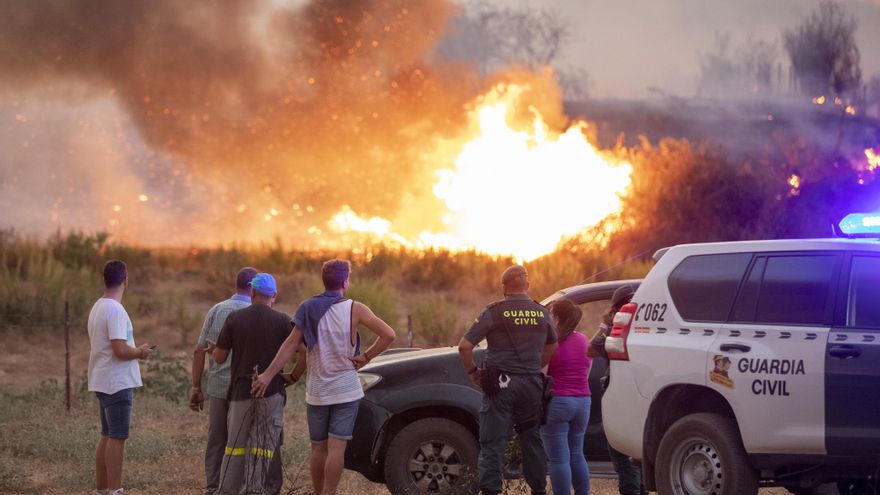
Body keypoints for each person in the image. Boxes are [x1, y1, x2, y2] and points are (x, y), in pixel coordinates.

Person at [251, 259, 396, 495]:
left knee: (318, 448)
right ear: (345, 281)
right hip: (346, 390)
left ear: (324, 280)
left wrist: (267, 375)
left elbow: (290, 345)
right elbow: (389, 334)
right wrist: (366, 357)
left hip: (318, 392)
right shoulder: (355, 308)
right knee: (337, 448)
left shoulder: (307, 307)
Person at [458, 264, 558, 495]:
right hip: (532, 385)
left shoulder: (493, 311)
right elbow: (553, 345)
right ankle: (539, 490)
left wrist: (474, 373)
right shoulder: (542, 312)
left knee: (492, 442)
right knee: (531, 440)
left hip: (500, 385)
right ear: (528, 285)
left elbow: (464, 347)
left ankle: (491, 491)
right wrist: (535, 366)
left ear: (504, 287)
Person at [213, 273, 301, 495]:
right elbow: (305, 352)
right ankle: (255, 490)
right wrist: (293, 376)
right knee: (263, 448)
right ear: (274, 295)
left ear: (252, 292)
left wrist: (218, 347)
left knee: (234, 446)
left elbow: (219, 358)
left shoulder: (234, 318)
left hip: (241, 391)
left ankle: (228, 490)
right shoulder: (283, 320)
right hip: (272, 393)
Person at [87, 260, 153, 495]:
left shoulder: (98, 306)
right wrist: (140, 352)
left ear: (104, 279)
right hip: (116, 382)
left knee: (106, 434)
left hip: (102, 379)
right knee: (117, 436)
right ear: (125, 279)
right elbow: (120, 350)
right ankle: (115, 490)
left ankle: (103, 489)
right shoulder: (115, 310)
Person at [189, 267, 256, 495]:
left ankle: (212, 488)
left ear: (236, 285)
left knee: (217, 440)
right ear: (253, 287)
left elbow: (199, 350)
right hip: (245, 390)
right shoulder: (256, 311)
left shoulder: (216, 310)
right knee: (243, 441)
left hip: (217, 387)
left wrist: (196, 387)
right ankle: (241, 487)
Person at [589, 284, 647, 495]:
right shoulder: (647, 325)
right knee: (636, 457)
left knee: (623, 458)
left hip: (621, 397)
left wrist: (606, 324)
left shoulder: (619, 330)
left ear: (615, 308)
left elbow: (591, 348)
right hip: (642, 395)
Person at [542, 298, 592, 495]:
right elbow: (586, 373)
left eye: (551, 313)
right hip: (583, 403)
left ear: (557, 318)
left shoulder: (551, 343)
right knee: (577, 454)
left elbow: (541, 375)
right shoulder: (584, 340)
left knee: (558, 459)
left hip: (558, 402)